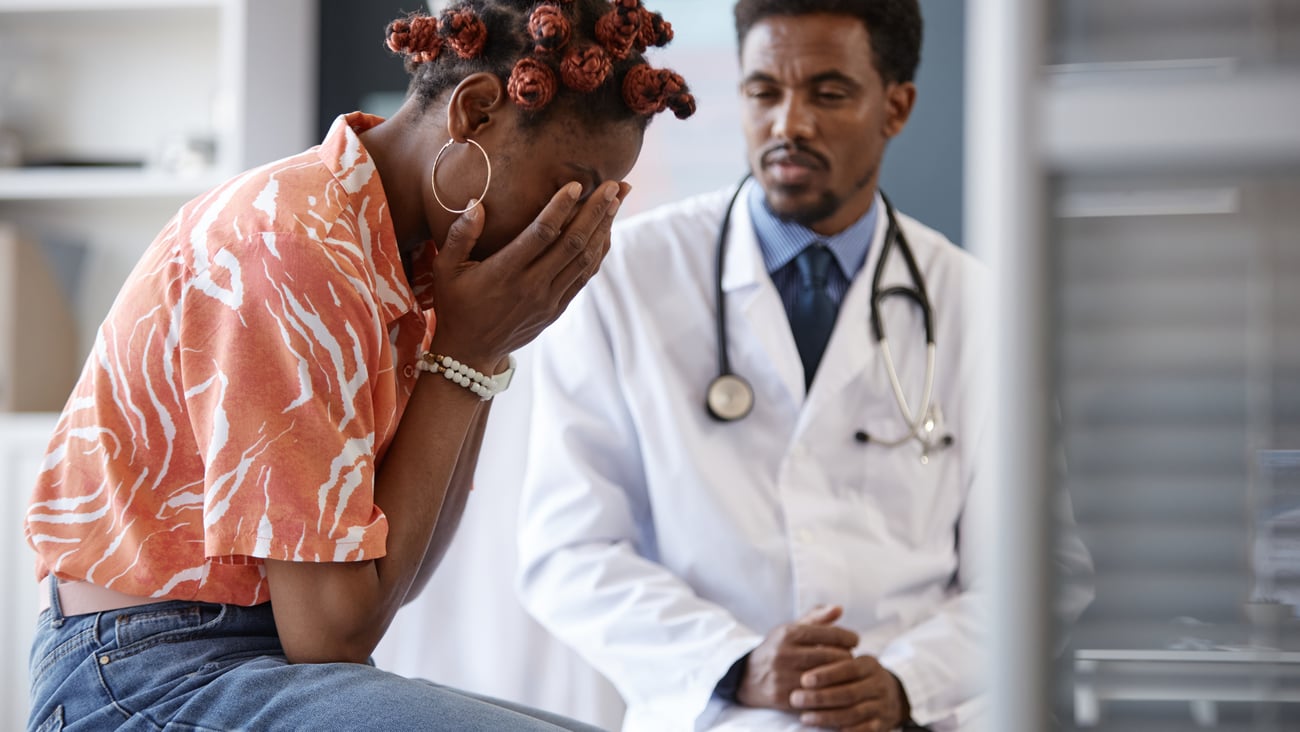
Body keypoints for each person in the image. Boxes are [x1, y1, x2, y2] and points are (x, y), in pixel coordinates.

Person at [23, 1, 695, 730]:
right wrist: (467, 355)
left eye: (607, 200)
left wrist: (484, 348)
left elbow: (394, 584)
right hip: (142, 671)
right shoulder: (291, 243)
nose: (584, 225)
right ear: (474, 114)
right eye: (576, 187)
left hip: (252, 659)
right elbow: (331, 634)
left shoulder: (411, 264)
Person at [516, 1, 1094, 730]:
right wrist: (735, 664)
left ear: (897, 106)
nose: (789, 124)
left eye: (828, 93)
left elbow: (1041, 573)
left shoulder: (982, 308)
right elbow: (568, 552)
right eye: (764, 92)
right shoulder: (625, 278)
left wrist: (902, 682)